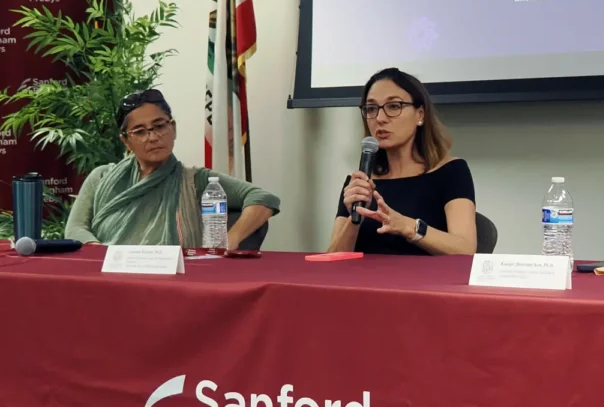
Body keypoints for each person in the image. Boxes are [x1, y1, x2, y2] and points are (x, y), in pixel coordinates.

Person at [65, 89, 280, 248]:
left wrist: (230, 241)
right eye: (140, 131)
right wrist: (102, 253)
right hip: (109, 275)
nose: (153, 137)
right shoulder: (101, 177)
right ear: (126, 141)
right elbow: (75, 229)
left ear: (173, 128)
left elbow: (263, 199)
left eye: (160, 126)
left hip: (173, 281)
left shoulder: (196, 181)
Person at [328, 68, 476, 255]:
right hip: (365, 283)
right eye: (371, 109)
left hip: (425, 283)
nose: (380, 119)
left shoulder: (451, 171)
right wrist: (355, 219)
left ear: (420, 114)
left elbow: (465, 249)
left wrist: (407, 226)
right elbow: (332, 260)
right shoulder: (358, 182)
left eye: (394, 106)